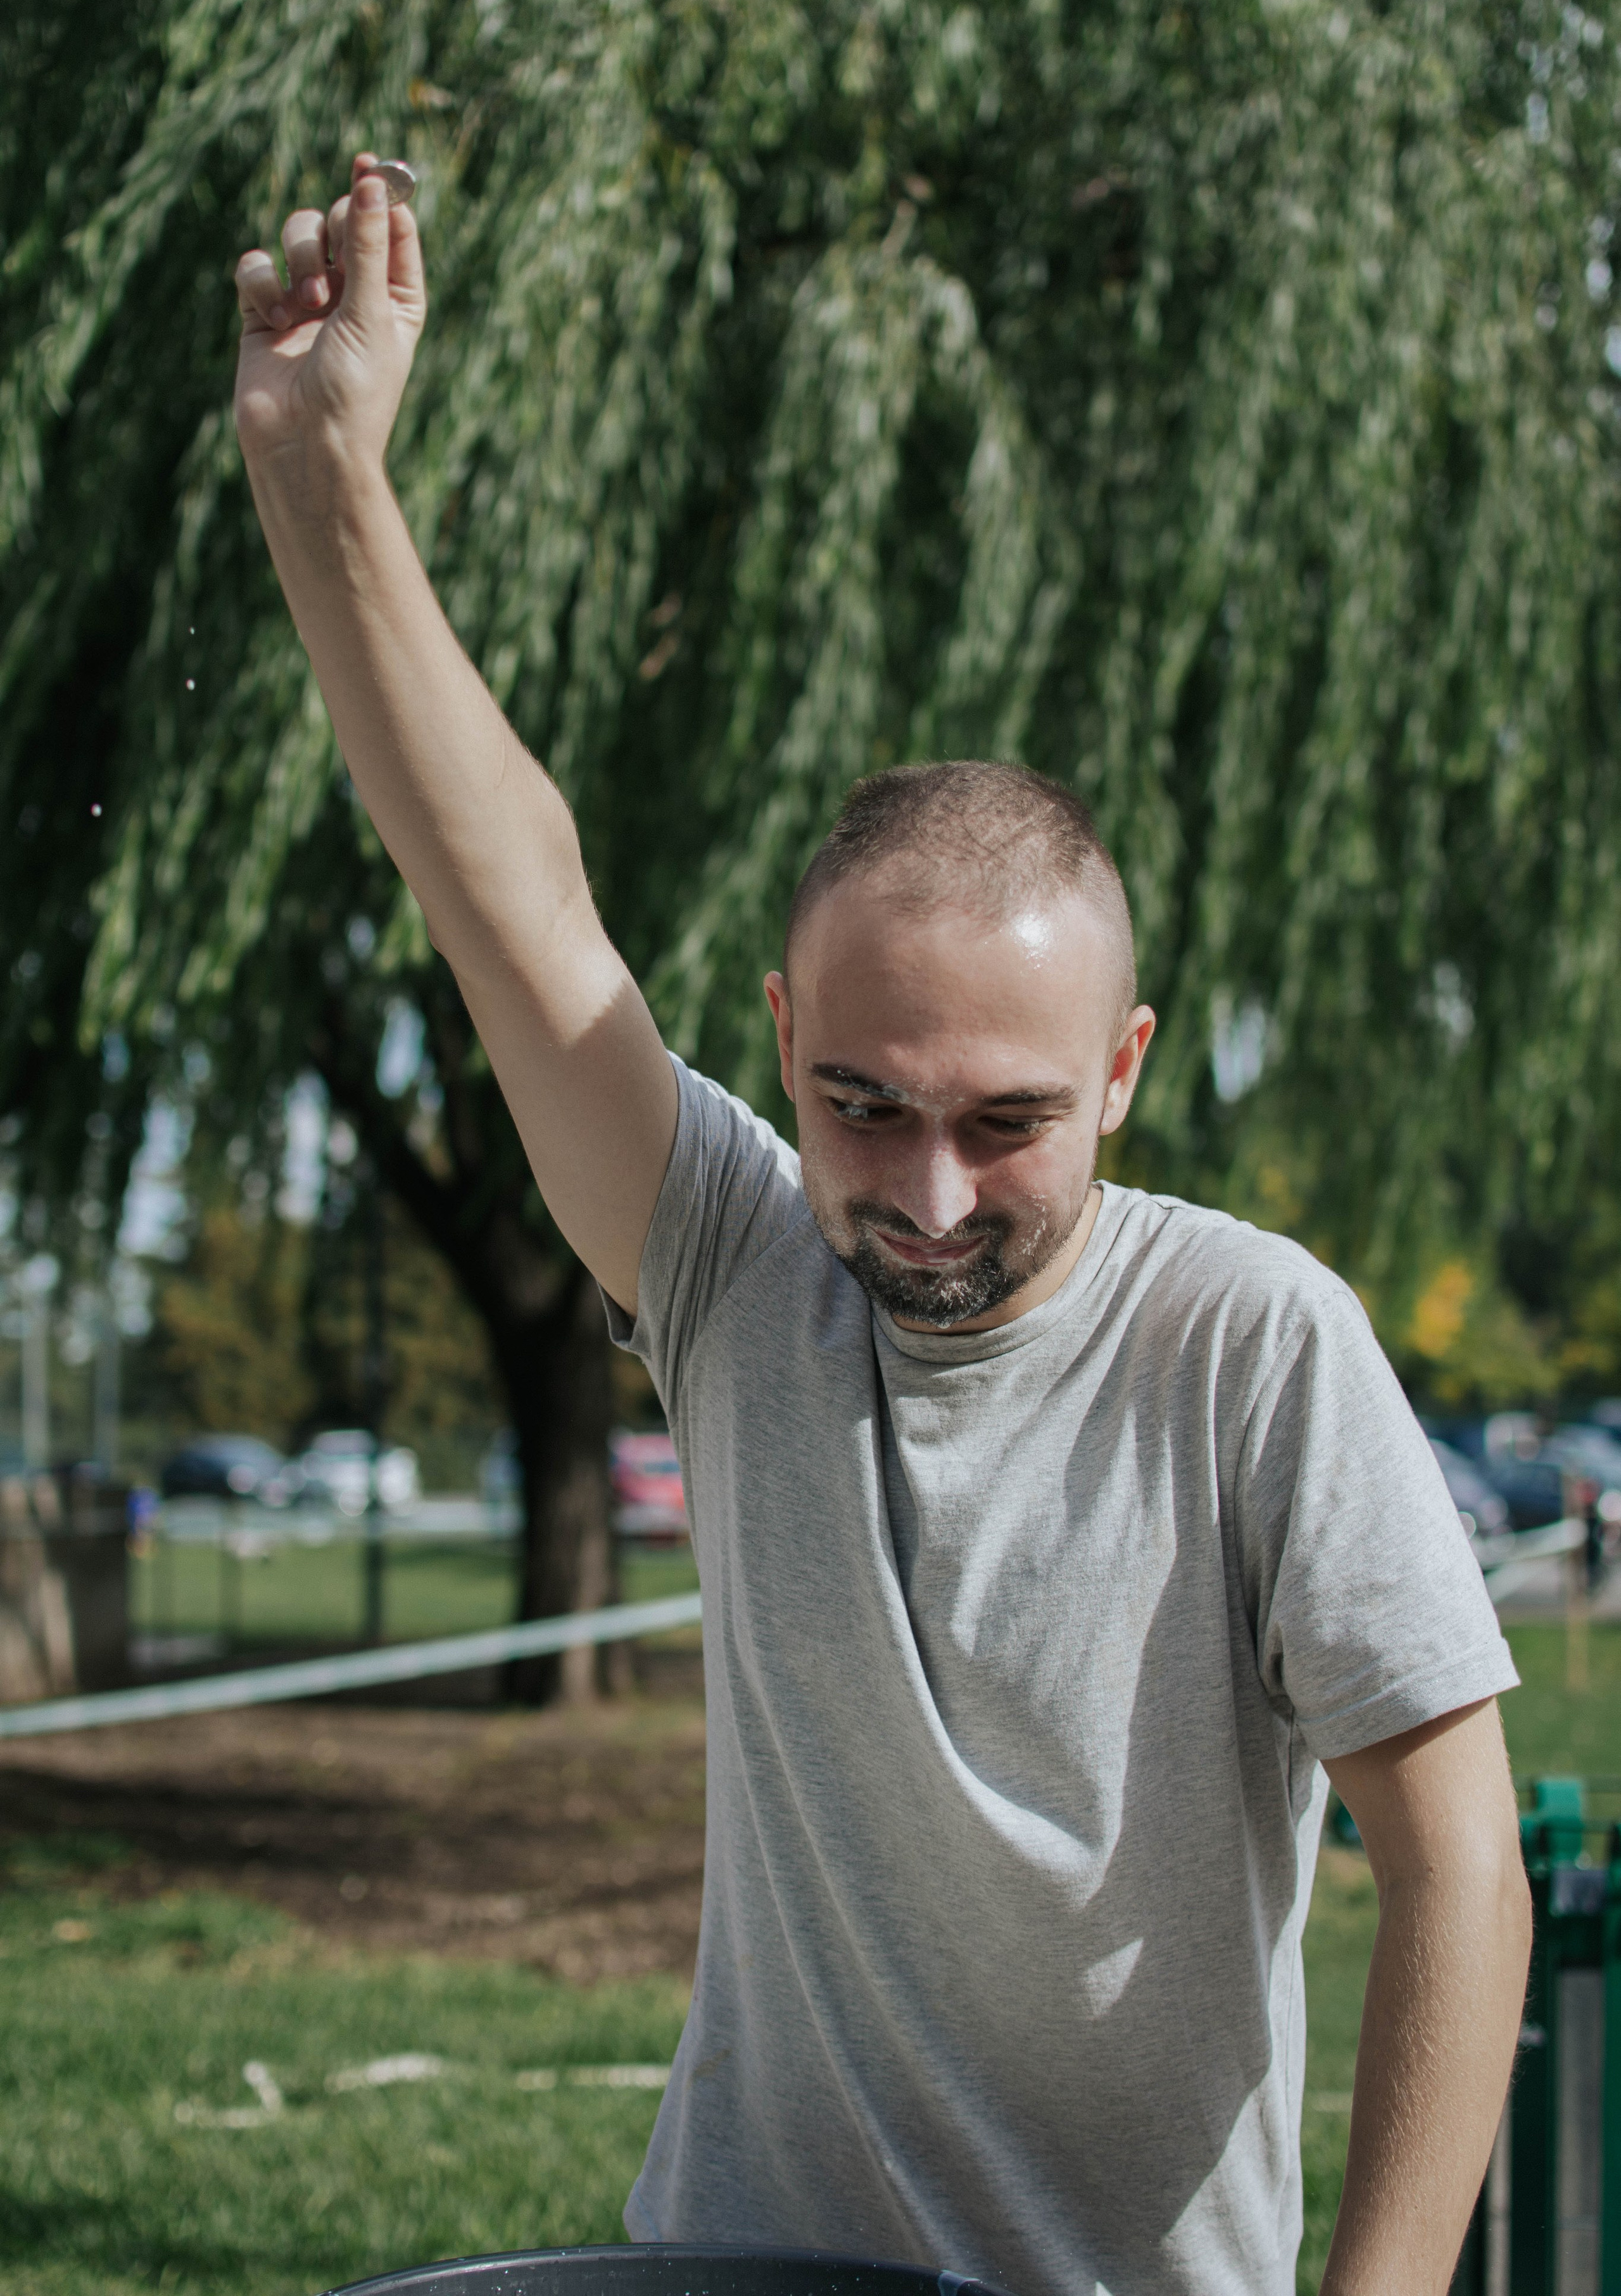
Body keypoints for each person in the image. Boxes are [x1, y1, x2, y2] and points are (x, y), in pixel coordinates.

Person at [234, 158, 1530, 2296]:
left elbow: (1459, 1864)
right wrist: (321, 477)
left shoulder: (1255, 1345)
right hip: (744, 2262)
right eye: (861, 1106)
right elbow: (511, 902)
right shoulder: (736, 1265)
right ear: (780, 1040)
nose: (928, 1201)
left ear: (1120, 1069)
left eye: (1009, 1122)